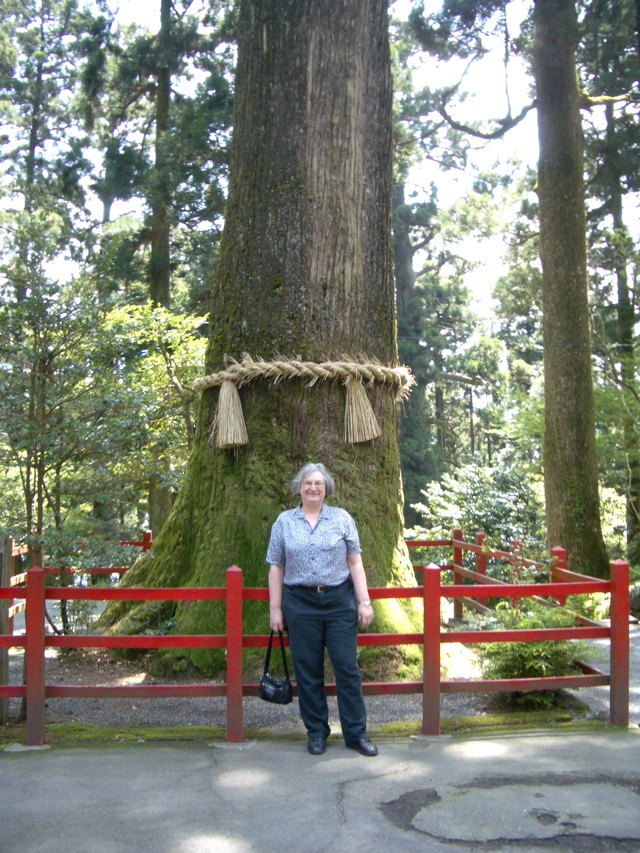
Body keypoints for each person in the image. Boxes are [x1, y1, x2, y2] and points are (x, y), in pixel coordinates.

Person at [266, 462, 378, 756]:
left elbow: (355, 561)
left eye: (318, 483)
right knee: (307, 670)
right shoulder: (284, 522)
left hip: (339, 602)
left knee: (346, 667)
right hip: (300, 604)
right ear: (299, 488)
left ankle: (356, 733)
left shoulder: (341, 519)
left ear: (326, 488)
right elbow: (276, 567)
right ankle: (316, 731)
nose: (313, 487)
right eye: (307, 483)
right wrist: (275, 609)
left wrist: (363, 601)